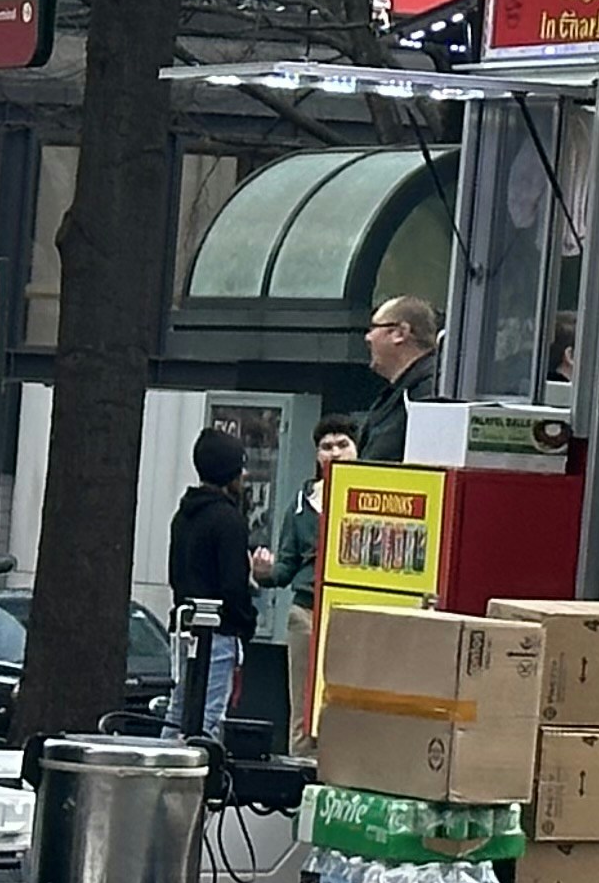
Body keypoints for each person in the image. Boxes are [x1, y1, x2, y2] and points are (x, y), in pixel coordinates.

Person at [261, 416, 356, 750]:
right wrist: (263, 572)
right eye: (327, 447)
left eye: (343, 445)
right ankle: (301, 774)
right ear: (317, 455)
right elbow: (285, 567)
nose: (335, 453)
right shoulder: (301, 506)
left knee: (349, 699)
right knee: (303, 702)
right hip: (307, 611)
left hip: (352, 614)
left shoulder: (372, 496)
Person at [165, 426, 260, 741]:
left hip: (184, 624)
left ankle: (161, 771)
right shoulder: (229, 520)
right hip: (219, 631)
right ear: (230, 473)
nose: (244, 474)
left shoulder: (184, 515)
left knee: (179, 713)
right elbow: (233, 585)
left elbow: (174, 575)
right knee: (208, 719)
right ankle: (197, 781)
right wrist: (246, 623)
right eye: (240, 468)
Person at [352, 294, 442, 463]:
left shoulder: (429, 391)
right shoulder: (405, 391)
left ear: (400, 333)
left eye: (373, 328)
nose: (368, 337)